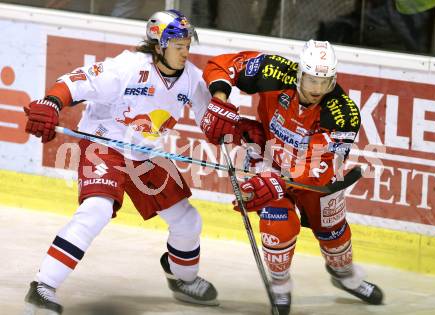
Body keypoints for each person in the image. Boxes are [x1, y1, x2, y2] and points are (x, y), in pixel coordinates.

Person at [23, 9, 220, 314]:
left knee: (188, 220)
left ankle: (182, 278)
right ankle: (43, 286)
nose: (185, 52)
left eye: (187, 46)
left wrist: (229, 128)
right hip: (103, 145)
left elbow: (210, 119)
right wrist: (52, 101)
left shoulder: (192, 79)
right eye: (178, 46)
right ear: (158, 45)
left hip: (145, 154)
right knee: (97, 210)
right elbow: (77, 82)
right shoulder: (127, 68)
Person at [200, 40, 384, 314]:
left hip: (313, 180)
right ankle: (280, 285)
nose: (318, 90)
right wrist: (220, 101)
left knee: (333, 234)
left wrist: (279, 182)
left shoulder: (343, 112)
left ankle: (345, 276)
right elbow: (222, 65)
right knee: (278, 228)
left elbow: (323, 168)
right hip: (270, 160)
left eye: (325, 82)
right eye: (312, 80)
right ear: (299, 74)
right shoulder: (274, 71)